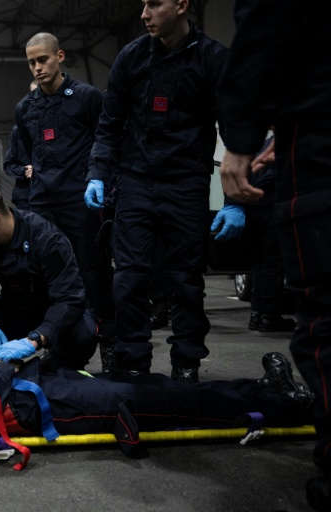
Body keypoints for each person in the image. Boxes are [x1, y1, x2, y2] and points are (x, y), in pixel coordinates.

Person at [84, 0, 244, 383]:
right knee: (129, 279)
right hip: (136, 181)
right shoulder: (131, 57)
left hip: (186, 184)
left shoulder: (213, 59)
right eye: (143, 4)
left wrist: (235, 201)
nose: (144, 13)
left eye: (154, 4)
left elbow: (235, 129)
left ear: (182, 5)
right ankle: (133, 362)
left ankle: (186, 364)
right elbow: (109, 124)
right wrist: (97, 174)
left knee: (185, 280)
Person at [216, 1, 331, 508]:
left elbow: (265, 32)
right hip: (303, 136)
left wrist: (242, 138)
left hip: (319, 152)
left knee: (326, 320)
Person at [0, 353, 313, 457]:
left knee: (155, 384)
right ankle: (288, 405)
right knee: (166, 402)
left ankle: (259, 389)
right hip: (44, 405)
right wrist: (4, 368)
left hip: (36, 386)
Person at [15, 33, 116, 344]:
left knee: (93, 271)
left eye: (43, 60)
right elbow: (29, 151)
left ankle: (109, 341)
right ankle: (57, 343)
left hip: (81, 200)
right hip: (43, 203)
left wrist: (100, 182)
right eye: (31, 62)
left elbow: (106, 141)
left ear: (59, 57)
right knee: (49, 274)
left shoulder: (88, 97)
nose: (37, 67)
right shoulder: (25, 108)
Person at [0, 181, 98, 371]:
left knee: (84, 334)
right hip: (15, 309)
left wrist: (35, 339)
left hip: (52, 310)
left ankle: (54, 366)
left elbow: (69, 300)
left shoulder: (47, 239)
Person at [242, 136, 295, 333]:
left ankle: (256, 314)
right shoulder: (282, 142)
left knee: (259, 264)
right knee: (272, 264)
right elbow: (277, 173)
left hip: (253, 209)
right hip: (270, 209)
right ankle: (269, 316)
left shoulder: (257, 144)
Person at [3, 82, 38, 212]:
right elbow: (9, 165)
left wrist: (39, 170)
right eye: (34, 93)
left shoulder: (59, 126)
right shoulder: (18, 131)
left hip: (54, 195)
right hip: (25, 195)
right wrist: (25, 171)